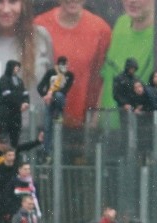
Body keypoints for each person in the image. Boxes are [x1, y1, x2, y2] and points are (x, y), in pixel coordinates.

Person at [34, 0, 111, 128]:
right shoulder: (39, 26)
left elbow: (102, 79)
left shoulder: (101, 30)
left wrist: (94, 122)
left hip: (83, 127)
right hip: (45, 124)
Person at [0, 60, 30, 148]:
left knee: (15, 140)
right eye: (15, 67)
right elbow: (7, 96)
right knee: (2, 140)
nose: (17, 69)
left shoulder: (19, 81)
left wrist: (26, 102)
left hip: (16, 115)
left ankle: (14, 158)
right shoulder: (3, 79)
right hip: (5, 114)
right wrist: (19, 103)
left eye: (18, 67)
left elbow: (25, 93)